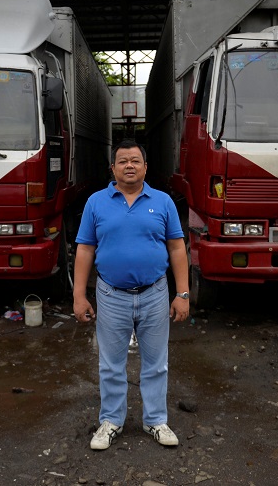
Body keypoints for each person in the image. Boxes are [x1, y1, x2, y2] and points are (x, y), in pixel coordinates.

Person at [73, 139, 190, 451]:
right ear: (112, 168)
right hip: (111, 296)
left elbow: (177, 248)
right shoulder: (96, 203)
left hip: (155, 294)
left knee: (156, 363)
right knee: (111, 364)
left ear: (145, 167)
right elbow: (84, 250)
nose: (129, 165)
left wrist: (182, 293)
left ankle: (155, 420)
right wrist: (79, 295)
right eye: (122, 161)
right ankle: (111, 420)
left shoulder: (163, 202)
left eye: (135, 160)